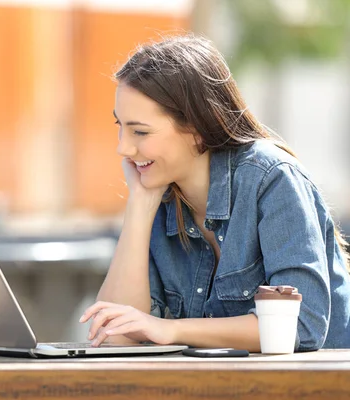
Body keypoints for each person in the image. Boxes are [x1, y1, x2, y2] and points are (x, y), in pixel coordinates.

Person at [79, 34, 350, 352]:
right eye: (120, 127)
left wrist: (170, 329)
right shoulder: (162, 192)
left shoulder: (271, 179)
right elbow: (113, 335)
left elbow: (300, 325)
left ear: (196, 128)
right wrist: (140, 204)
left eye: (140, 131)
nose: (123, 147)